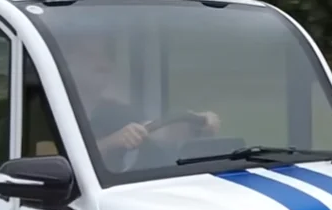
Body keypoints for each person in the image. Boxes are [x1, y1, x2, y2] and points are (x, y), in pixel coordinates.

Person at [61, 37, 220, 168]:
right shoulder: (52, 112)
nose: (103, 64)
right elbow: (62, 165)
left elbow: (156, 130)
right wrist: (112, 142)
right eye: (90, 56)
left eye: (106, 56)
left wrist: (195, 124)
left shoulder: (114, 110)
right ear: (67, 64)